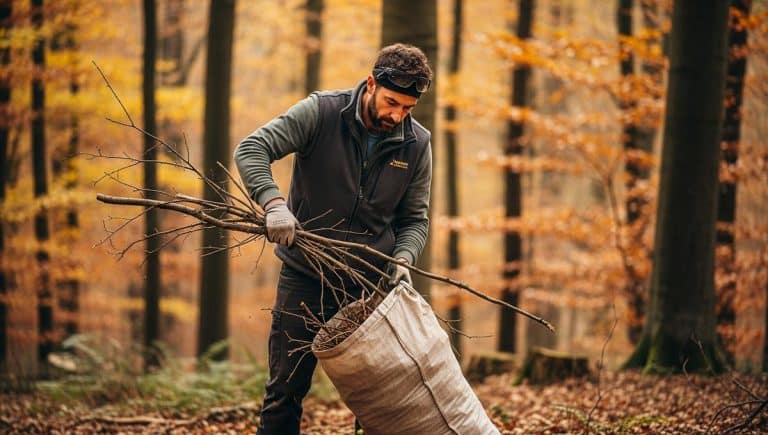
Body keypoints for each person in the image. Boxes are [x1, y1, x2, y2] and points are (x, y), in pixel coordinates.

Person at [233, 43, 433, 434]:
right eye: (392, 102)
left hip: (369, 287)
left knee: (376, 401)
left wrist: (404, 259)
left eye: (408, 108)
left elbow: (414, 219)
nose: (397, 115)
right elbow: (252, 148)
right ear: (371, 84)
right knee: (284, 392)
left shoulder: (418, 144)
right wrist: (273, 204)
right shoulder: (322, 113)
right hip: (304, 276)